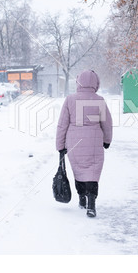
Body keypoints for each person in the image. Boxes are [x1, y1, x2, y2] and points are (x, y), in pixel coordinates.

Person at [56, 70, 113, 218]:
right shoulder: (99, 100)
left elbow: (62, 125)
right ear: (96, 83)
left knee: (79, 170)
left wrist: (60, 146)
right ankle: (91, 202)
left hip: (74, 142)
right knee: (93, 172)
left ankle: (81, 198)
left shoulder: (70, 100)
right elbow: (107, 124)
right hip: (94, 142)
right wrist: (107, 141)